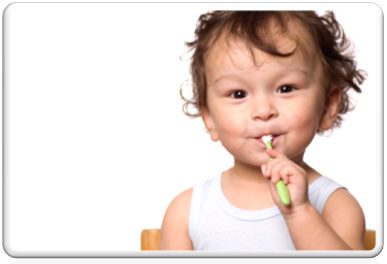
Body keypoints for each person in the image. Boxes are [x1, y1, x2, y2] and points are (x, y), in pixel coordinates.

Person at [160, 11, 366, 250]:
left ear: (328, 105)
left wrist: (300, 212)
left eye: (286, 88)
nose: (263, 110)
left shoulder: (336, 205)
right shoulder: (186, 212)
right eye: (238, 94)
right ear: (209, 118)